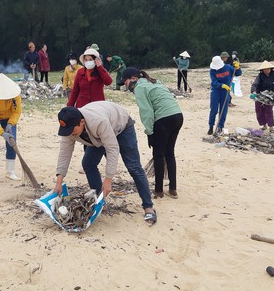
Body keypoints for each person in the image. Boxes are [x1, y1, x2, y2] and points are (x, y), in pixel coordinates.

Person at [54, 102, 157, 225]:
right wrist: (59, 181)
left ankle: (148, 207)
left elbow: (112, 148)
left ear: (82, 122)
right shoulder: (69, 129)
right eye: (67, 131)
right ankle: (100, 202)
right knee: (88, 163)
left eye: (72, 130)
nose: (70, 134)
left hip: (121, 126)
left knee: (133, 167)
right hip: (97, 136)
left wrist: (108, 180)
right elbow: (65, 153)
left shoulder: (98, 121)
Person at [119, 67, 183, 199]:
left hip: (164, 119)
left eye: (125, 82)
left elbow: (146, 112)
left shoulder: (140, 88)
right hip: (177, 115)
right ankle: (173, 189)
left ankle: (159, 190)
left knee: (158, 155)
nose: (125, 86)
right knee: (169, 153)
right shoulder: (154, 82)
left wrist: (149, 133)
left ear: (133, 79)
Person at [250, 61, 274, 133]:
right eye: (264, 69)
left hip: (270, 95)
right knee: (259, 111)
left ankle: (271, 127)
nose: (266, 70)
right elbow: (255, 84)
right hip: (260, 95)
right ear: (262, 70)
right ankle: (263, 125)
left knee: (269, 111)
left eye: (268, 69)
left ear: (271, 69)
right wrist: (253, 91)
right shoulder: (260, 76)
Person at [208, 55, 240, 135]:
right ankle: (211, 126)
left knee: (223, 110)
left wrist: (238, 67)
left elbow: (238, 73)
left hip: (225, 92)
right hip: (215, 91)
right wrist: (222, 85)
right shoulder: (212, 70)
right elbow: (214, 82)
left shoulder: (228, 67)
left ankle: (220, 127)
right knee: (214, 109)